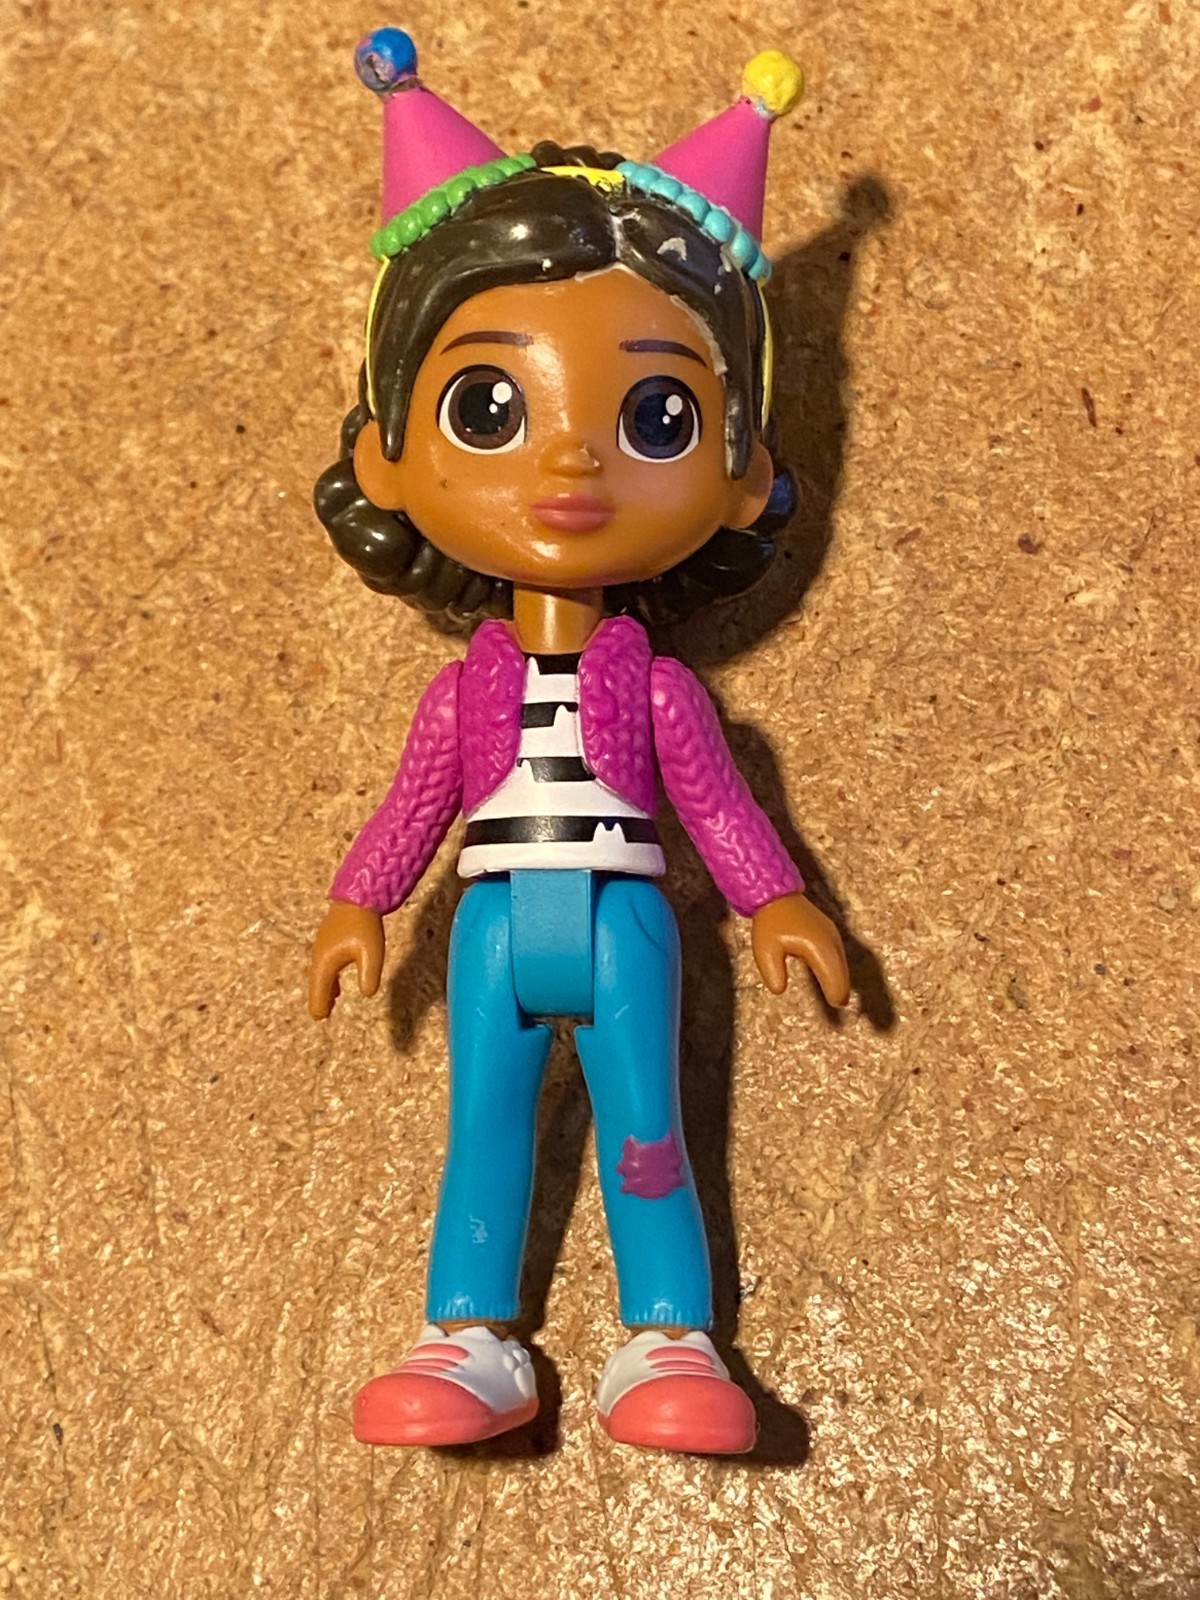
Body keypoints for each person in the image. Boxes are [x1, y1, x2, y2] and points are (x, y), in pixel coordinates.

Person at [307, 27, 850, 1454]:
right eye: (488, 407)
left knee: (649, 1128)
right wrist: (361, 902)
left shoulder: (657, 692)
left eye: (658, 415)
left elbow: (719, 808)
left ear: (742, 476)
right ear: (385, 455)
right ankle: (470, 1334)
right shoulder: (463, 694)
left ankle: (671, 1336)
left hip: (623, 924)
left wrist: (777, 899)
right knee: (483, 1124)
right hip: (493, 925)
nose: (570, 461)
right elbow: (414, 805)